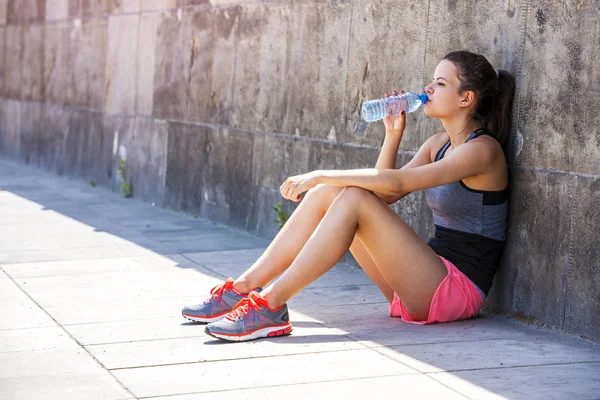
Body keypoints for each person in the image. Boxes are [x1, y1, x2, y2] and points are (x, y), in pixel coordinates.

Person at [182, 50, 516, 342]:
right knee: (335, 193)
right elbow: (383, 195)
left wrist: (319, 174)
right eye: (431, 80)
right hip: (419, 280)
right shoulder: (437, 145)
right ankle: (242, 289)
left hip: (454, 290)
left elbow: (396, 185)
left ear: (466, 98)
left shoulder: (482, 151)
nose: (428, 89)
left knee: (346, 194)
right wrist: (392, 136)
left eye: (440, 83)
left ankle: (269, 305)